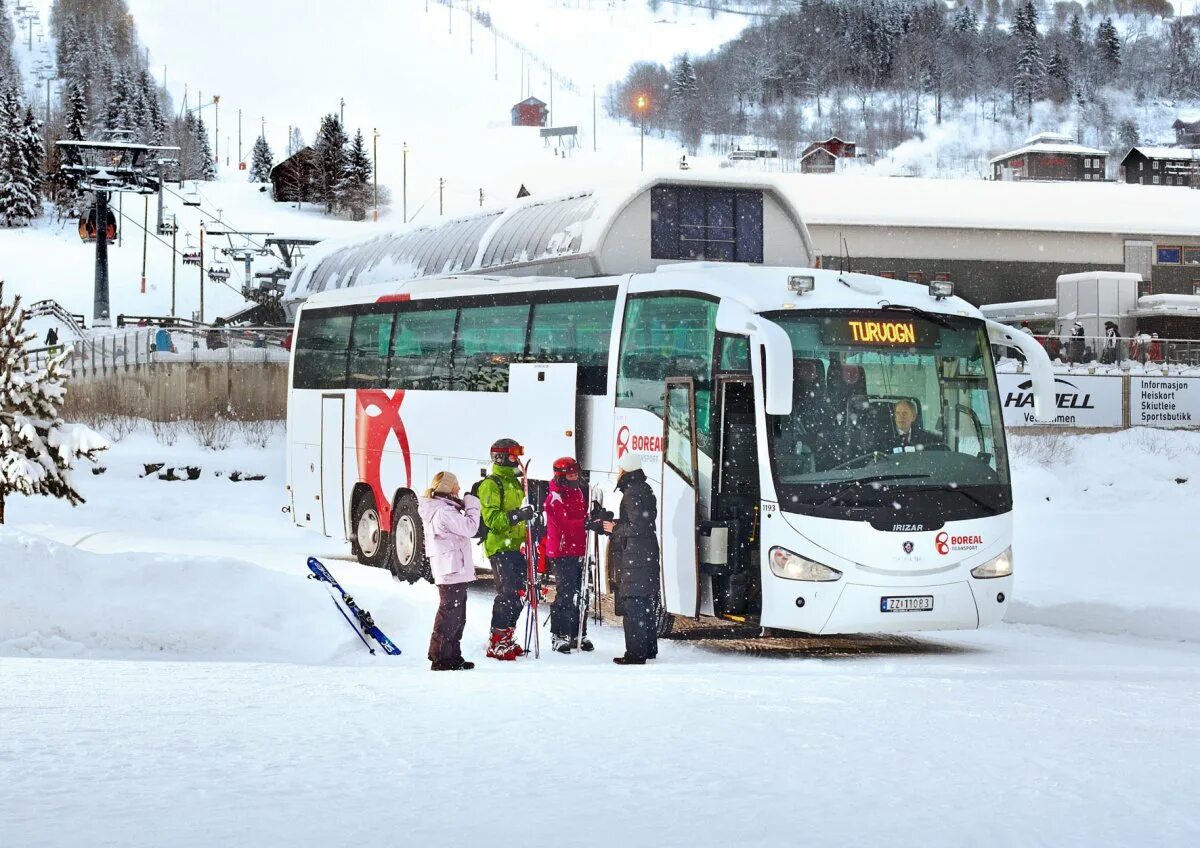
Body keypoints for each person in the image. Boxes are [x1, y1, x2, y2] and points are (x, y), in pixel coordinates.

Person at [477, 437, 537, 662]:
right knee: (507, 593)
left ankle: (508, 635)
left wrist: (531, 521)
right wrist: (517, 516)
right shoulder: (491, 484)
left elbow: (522, 512)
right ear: (500, 456)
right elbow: (492, 519)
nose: (517, 459)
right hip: (498, 546)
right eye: (513, 455)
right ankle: (496, 640)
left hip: (514, 545)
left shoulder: (515, 482)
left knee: (521, 592)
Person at [417, 471, 481, 671]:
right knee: (450, 615)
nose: (460, 489)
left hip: (451, 567)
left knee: (456, 615)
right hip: (451, 569)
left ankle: (452, 656)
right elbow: (470, 528)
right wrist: (472, 504)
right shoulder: (444, 512)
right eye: (457, 486)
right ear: (448, 488)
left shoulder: (443, 508)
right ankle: (441, 658)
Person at [602, 452, 660, 665]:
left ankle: (636, 654)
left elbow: (637, 526)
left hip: (636, 555)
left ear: (626, 470)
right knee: (644, 603)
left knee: (634, 603)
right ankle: (649, 649)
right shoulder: (644, 489)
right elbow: (642, 521)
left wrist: (614, 528)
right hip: (646, 553)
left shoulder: (631, 492)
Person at [544, 456, 592, 654]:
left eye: (576, 472)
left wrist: (592, 517)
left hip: (579, 548)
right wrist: (584, 523)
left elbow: (580, 517)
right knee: (566, 593)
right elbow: (564, 523)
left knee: (582, 592)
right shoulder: (555, 496)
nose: (575, 475)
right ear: (561, 475)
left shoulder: (578, 491)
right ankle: (559, 634)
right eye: (570, 473)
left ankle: (577, 632)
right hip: (562, 551)